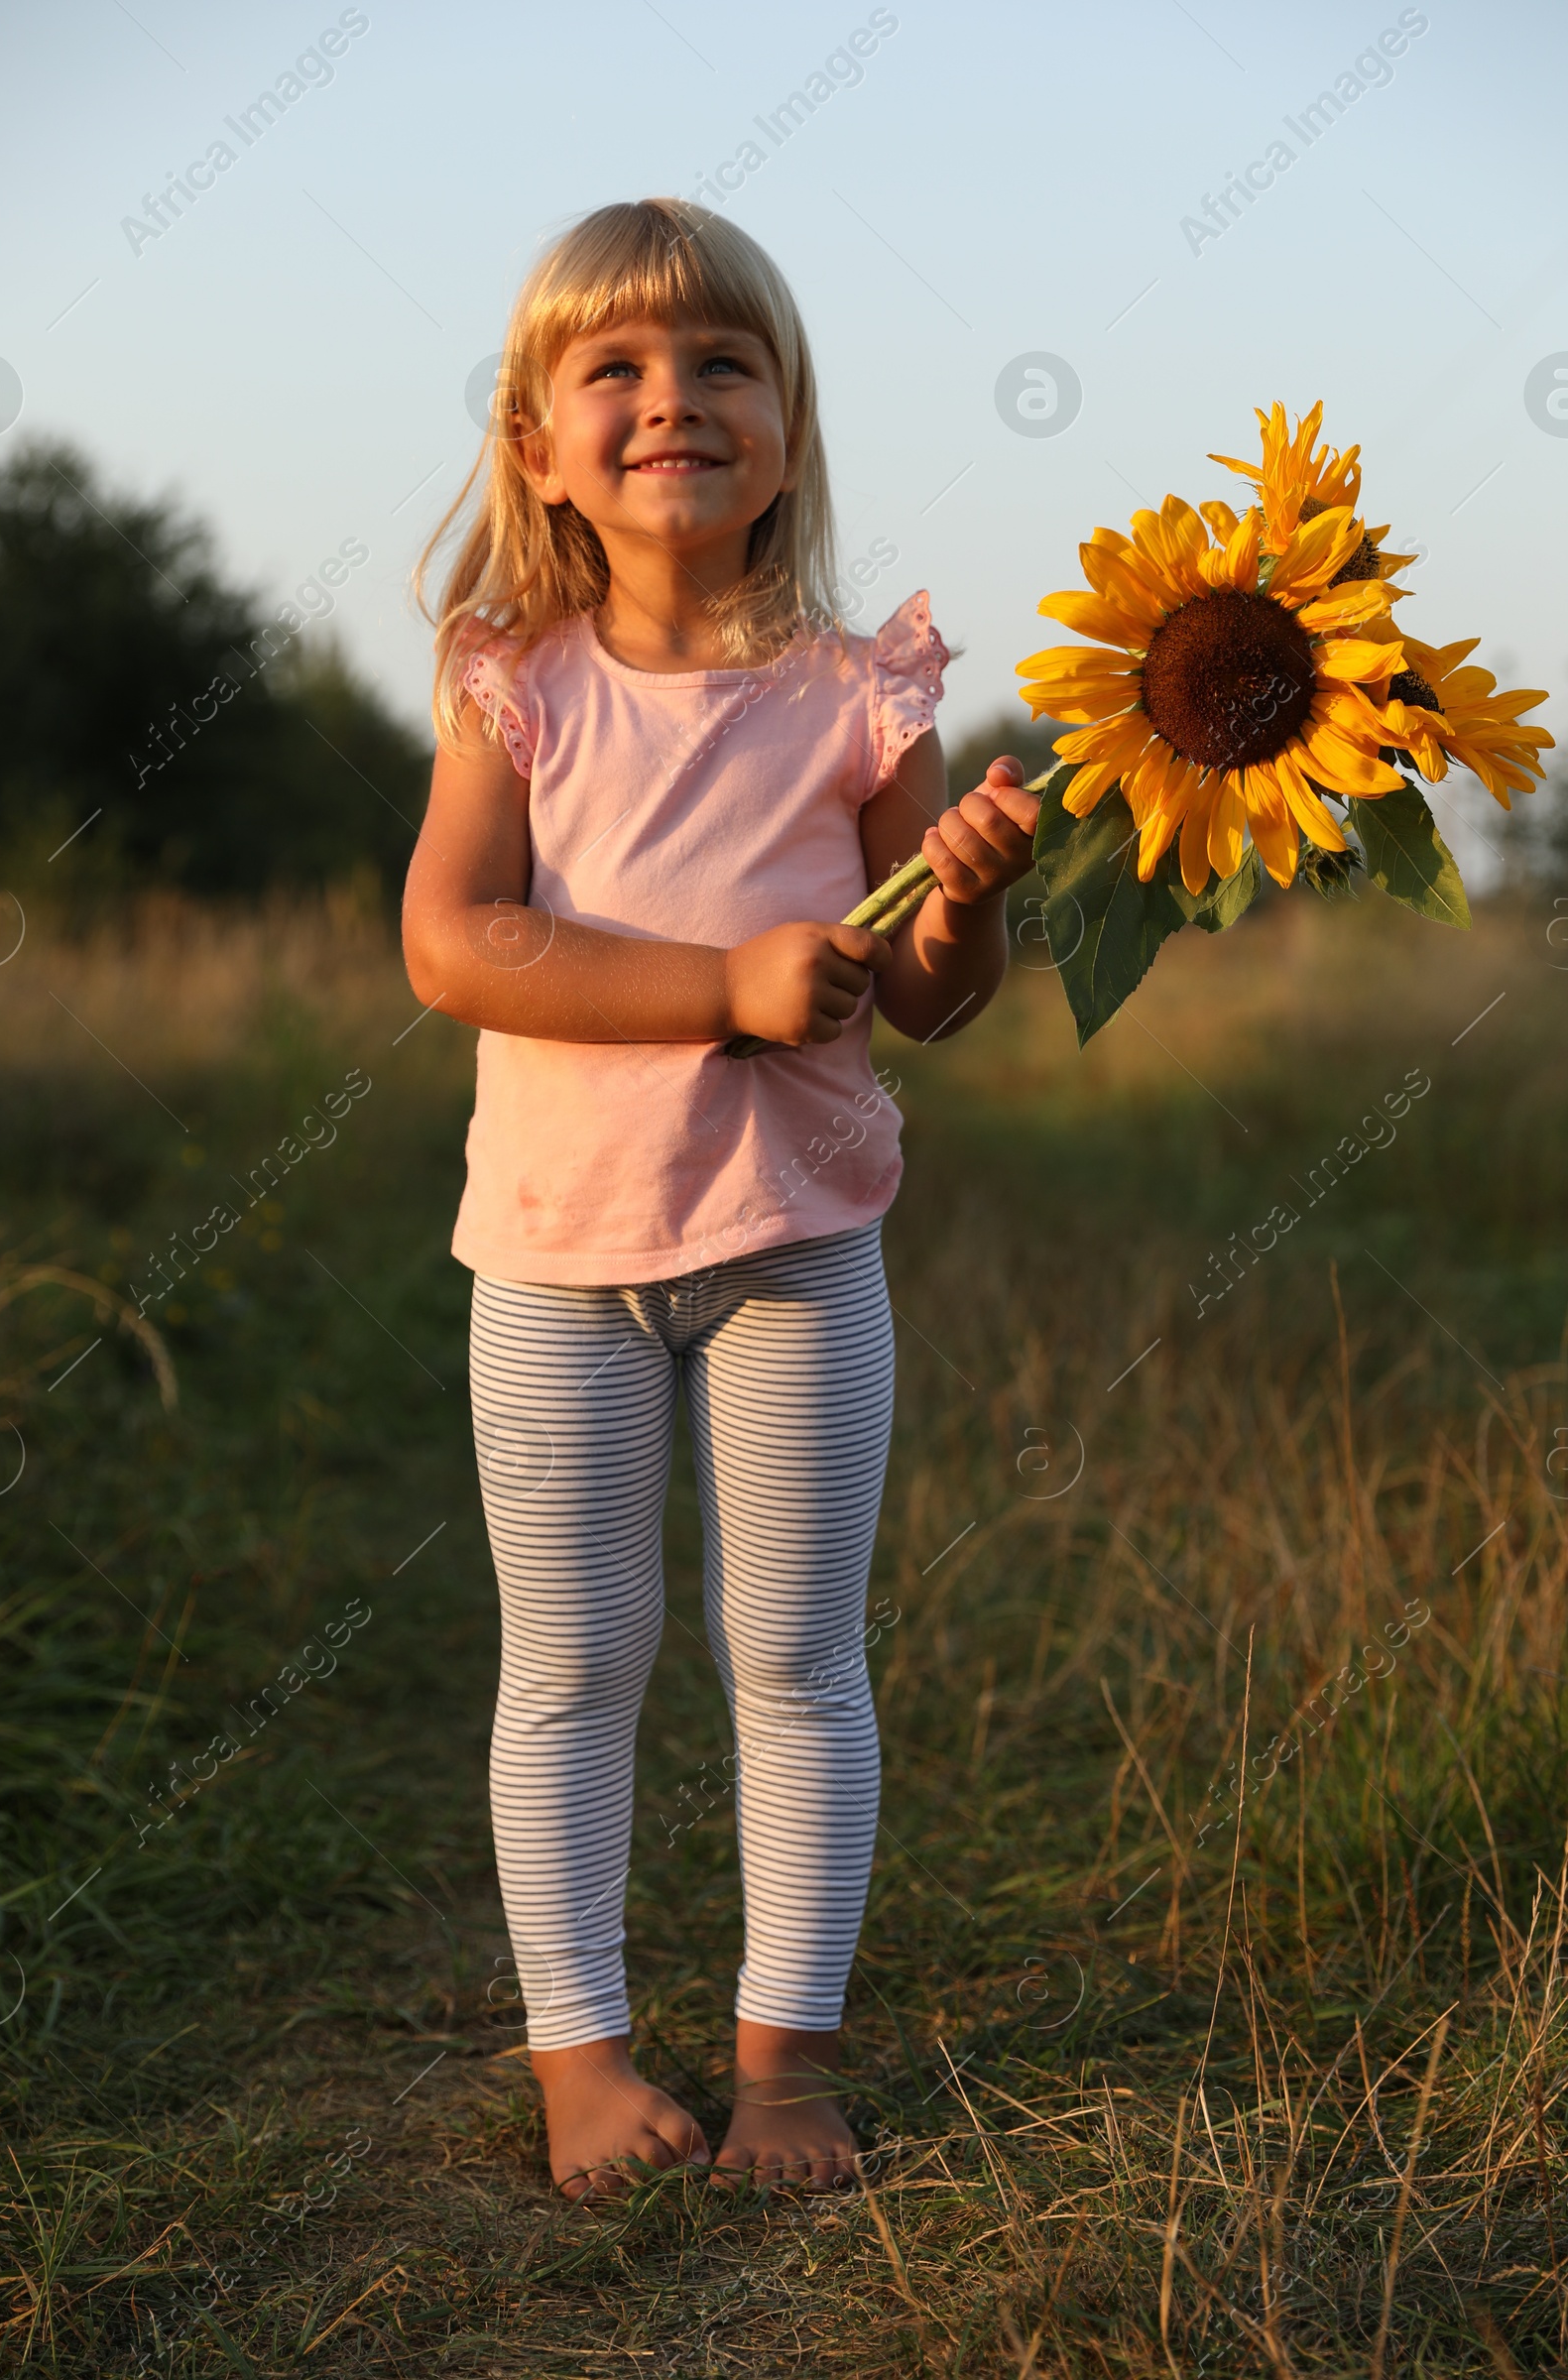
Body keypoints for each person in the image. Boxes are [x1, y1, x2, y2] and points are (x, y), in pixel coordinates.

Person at [404, 197, 1037, 2201]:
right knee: (572, 1658)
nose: (671, 398)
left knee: (794, 1653)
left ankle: (783, 2066)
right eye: (615, 367)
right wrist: (722, 989)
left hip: (794, 1250)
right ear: (536, 447)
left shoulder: (865, 694)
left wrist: (961, 903)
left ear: (786, 423)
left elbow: (924, 1004)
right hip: (554, 1266)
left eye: (720, 364)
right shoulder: (517, 685)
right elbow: (450, 942)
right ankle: (577, 2062)